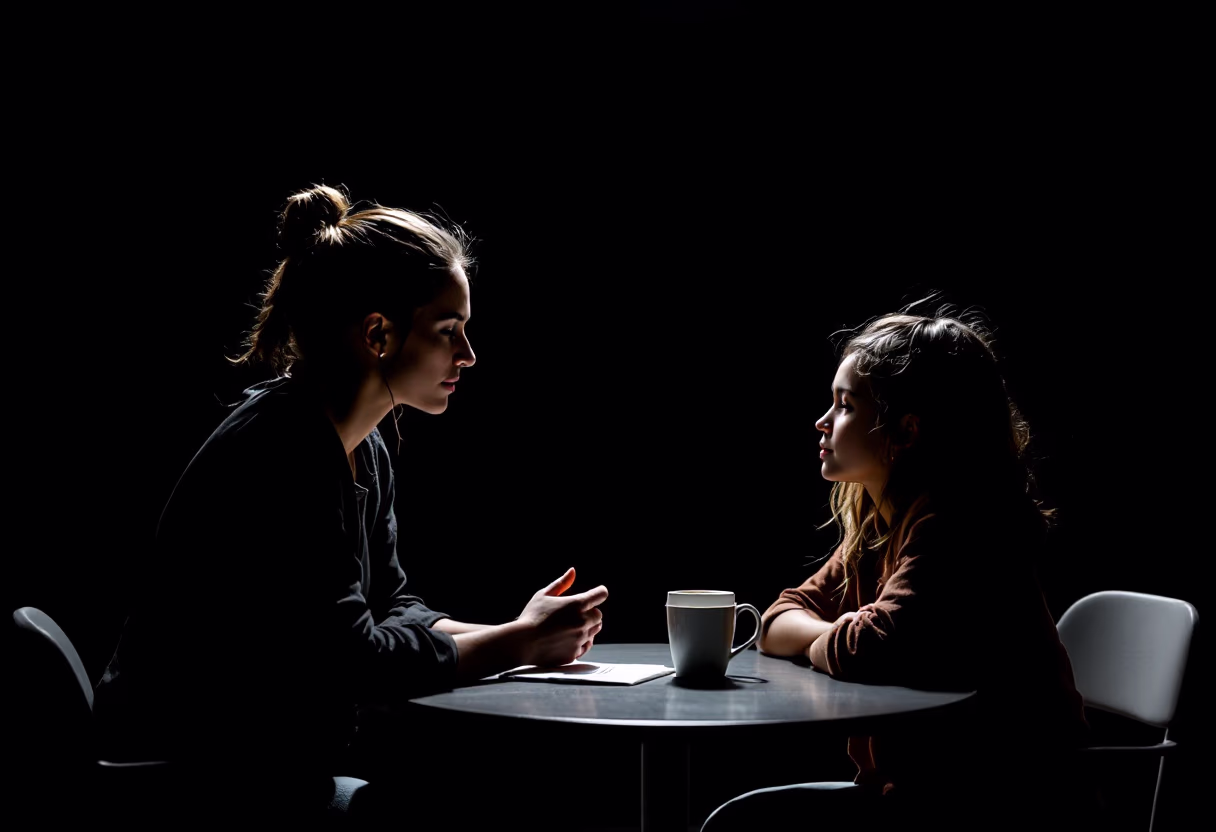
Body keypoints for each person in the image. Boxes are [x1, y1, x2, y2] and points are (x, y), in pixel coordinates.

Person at [92, 184, 608, 824]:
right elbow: (354, 660)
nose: (468, 356)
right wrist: (516, 645)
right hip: (190, 780)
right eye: (450, 331)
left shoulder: (363, 445)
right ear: (378, 334)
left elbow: (392, 604)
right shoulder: (283, 451)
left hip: (257, 763)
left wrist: (519, 629)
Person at [701, 300, 1098, 831]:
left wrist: (831, 638)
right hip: (919, 791)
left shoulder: (958, 525)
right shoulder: (879, 526)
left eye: (845, 406)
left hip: (1004, 800)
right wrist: (840, 633)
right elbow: (776, 619)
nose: (821, 422)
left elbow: (875, 646)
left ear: (905, 432)